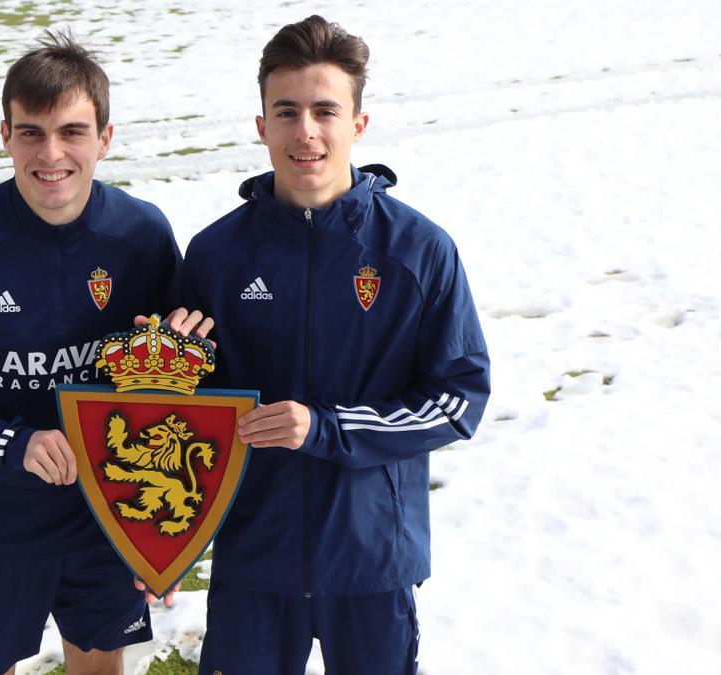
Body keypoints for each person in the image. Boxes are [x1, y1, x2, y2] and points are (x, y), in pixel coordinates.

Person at [0, 32, 207, 675]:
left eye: (73, 132)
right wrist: (10, 443)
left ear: (105, 138)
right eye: (32, 132)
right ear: (5, 135)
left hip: (107, 521)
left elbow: (170, 395)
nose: (52, 154)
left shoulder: (142, 234)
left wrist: (165, 540)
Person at [180, 15, 490, 675]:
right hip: (254, 560)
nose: (306, 132)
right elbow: (187, 418)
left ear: (358, 123)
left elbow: (458, 399)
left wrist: (325, 427)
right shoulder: (215, 256)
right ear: (261, 125)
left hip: (371, 559)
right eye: (286, 111)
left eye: (326, 110)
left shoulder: (417, 251)